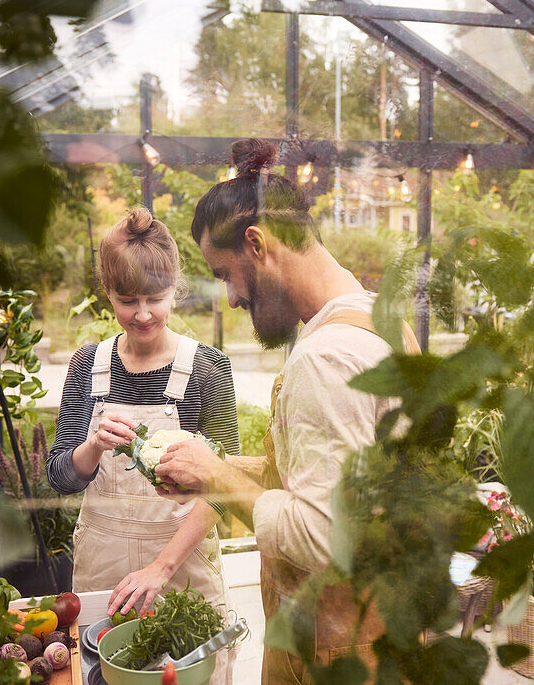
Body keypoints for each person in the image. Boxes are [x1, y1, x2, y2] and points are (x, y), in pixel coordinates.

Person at [154, 139, 418, 684]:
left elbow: (326, 534)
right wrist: (215, 472)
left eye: (225, 274)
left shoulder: (326, 358)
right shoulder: (381, 322)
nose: (229, 298)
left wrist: (221, 478)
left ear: (257, 243)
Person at [45, 207, 238, 685]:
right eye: (128, 300)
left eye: (156, 297)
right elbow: (59, 477)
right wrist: (90, 446)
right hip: (102, 574)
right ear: (107, 293)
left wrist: (160, 566)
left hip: (182, 571)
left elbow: (226, 489)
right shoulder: (86, 367)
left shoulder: (209, 369)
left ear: (176, 289)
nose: (144, 313)